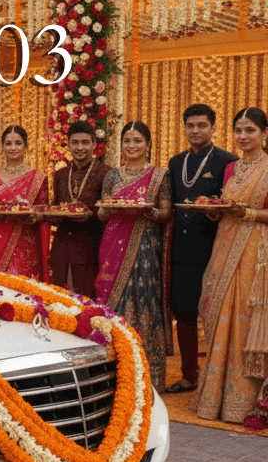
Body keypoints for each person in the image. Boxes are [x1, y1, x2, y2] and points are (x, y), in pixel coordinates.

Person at [195, 108, 268, 427]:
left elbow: (249, 211)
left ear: (264, 134)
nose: (243, 136)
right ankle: (214, 398)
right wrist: (216, 211)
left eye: (250, 130)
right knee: (218, 310)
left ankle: (248, 400)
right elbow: (227, 205)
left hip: (256, 251)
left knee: (247, 318)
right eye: (238, 130)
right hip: (225, 245)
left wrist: (248, 214)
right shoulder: (231, 168)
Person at [95, 121, 172, 393]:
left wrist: (147, 210)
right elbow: (102, 212)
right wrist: (110, 207)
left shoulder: (160, 176)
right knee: (114, 302)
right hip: (114, 243)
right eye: (127, 140)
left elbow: (166, 213)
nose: (131, 146)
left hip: (146, 245)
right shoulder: (112, 175)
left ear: (148, 144)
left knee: (145, 300)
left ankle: (148, 377)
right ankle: (112, 374)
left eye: (138, 140)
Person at [165, 104, 237, 393]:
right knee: (184, 314)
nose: (195, 130)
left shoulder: (227, 162)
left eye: (202, 125)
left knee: (218, 315)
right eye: (190, 125)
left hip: (215, 248)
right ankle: (189, 375)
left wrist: (216, 211)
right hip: (181, 249)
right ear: (184, 128)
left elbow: (232, 206)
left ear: (213, 128)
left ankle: (220, 380)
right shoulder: (175, 163)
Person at [0, 125, 49, 280]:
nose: (13, 148)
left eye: (18, 143)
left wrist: (33, 217)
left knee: (21, 288)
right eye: (8, 143)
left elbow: (44, 211)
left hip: (24, 241)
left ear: (26, 146)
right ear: (2, 147)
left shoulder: (38, 178)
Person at [50, 121, 109, 299]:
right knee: (59, 301)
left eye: (85, 142)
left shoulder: (106, 173)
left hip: (90, 248)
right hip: (62, 248)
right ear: (68, 144)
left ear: (94, 144)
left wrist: (90, 214)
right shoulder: (60, 175)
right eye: (75, 142)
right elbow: (56, 209)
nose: (80, 147)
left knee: (88, 302)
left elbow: (108, 214)